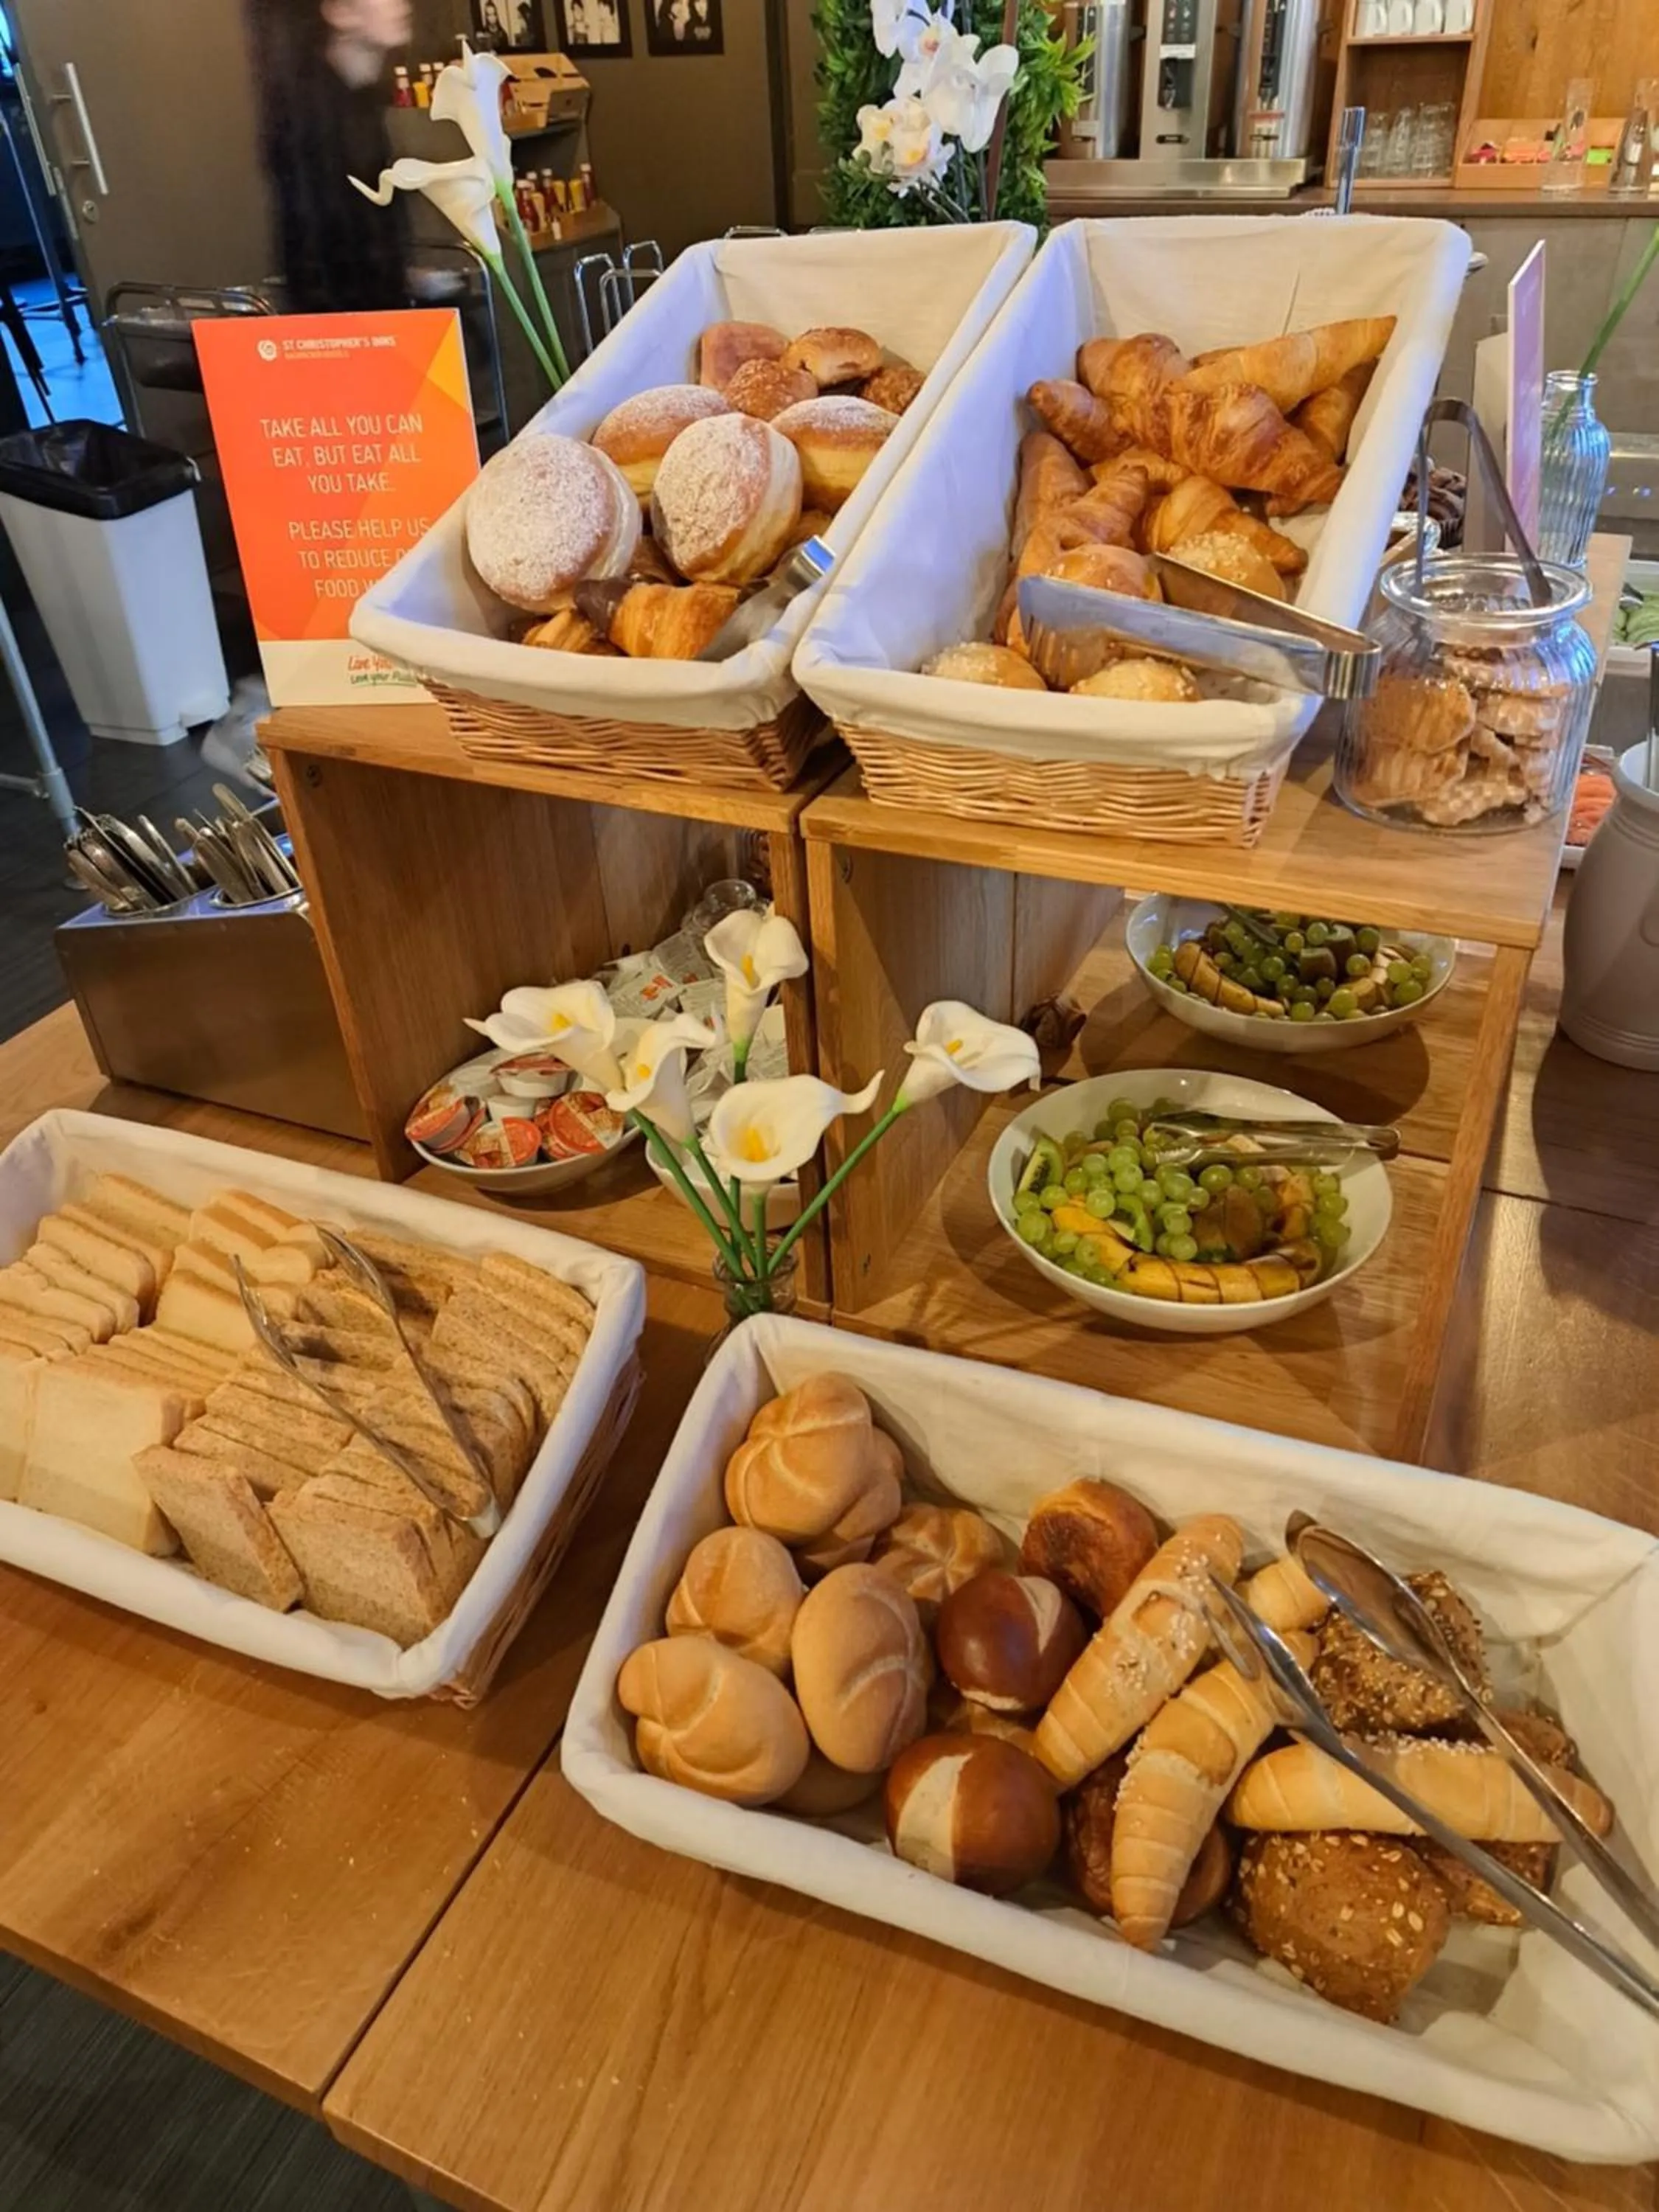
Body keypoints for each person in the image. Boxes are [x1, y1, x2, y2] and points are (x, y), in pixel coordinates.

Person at [248, 0, 414, 316]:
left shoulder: (366, 100)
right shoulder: (309, 114)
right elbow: (312, 242)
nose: (401, 5)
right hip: (342, 326)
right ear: (341, 12)